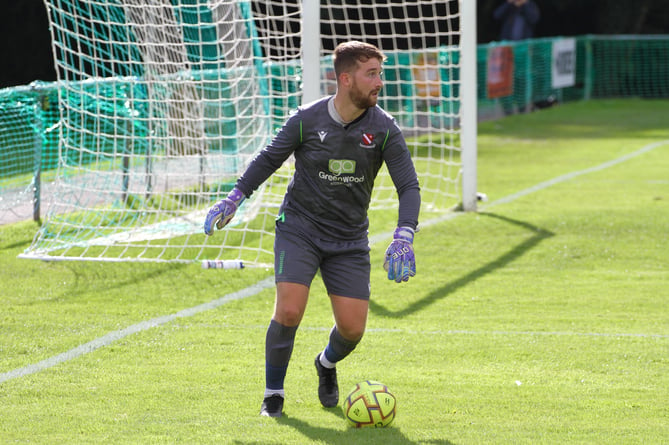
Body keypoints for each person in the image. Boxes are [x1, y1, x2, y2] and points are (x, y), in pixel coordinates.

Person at [203, 41, 421, 418]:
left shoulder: (384, 129)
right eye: (372, 74)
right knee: (289, 311)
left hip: (350, 239)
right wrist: (234, 197)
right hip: (300, 228)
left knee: (353, 330)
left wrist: (404, 234)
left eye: (380, 74)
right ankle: (274, 395)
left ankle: (325, 363)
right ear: (345, 78)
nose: (379, 83)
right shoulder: (306, 119)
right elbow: (268, 158)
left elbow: (409, 186)